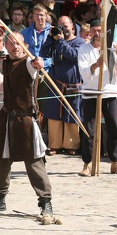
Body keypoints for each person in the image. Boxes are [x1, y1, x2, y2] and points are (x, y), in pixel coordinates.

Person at [0, 32, 56, 222]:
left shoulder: (28, 64)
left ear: (25, 46)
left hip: (26, 121)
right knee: (3, 159)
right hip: (7, 119)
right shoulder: (3, 60)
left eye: (19, 43)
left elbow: (36, 64)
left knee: (34, 162)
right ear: (5, 45)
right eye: (11, 43)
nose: (15, 47)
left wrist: (39, 63)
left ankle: (46, 202)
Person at [77, 19, 117, 176]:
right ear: (90, 32)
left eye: (99, 31)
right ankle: (87, 164)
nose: (96, 34)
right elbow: (83, 71)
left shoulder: (112, 48)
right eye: (94, 31)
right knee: (89, 129)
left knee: (113, 127)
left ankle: (115, 162)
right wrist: (95, 65)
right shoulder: (83, 49)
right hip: (90, 92)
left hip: (108, 91)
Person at [40, 15, 84, 155]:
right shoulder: (55, 41)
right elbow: (43, 53)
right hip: (57, 83)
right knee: (54, 114)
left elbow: (74, 56)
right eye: (60, 26)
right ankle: (55, 144)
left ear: (72, 26)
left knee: (72, 113)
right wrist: (50, 38)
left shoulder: (80, 42)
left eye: (65, 26)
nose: (63, 29)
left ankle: (71, 145)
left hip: (73, 85)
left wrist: (60, 41)